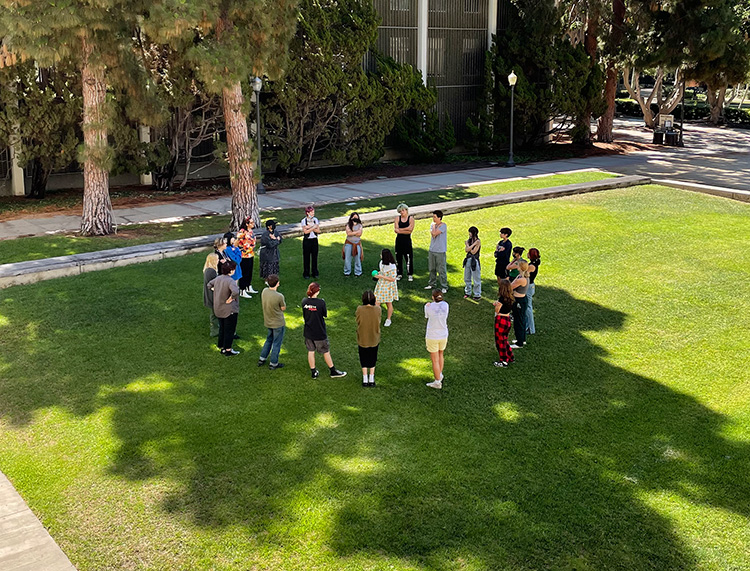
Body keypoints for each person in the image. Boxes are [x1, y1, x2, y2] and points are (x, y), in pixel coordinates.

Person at [302, 282, 347, 379]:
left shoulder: (304, 301)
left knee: (311, 351)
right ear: (317, 291)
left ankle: (313, 372)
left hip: (308, 331)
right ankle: (333, 371)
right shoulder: (321, 303)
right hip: (319, 332)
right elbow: (324, 314)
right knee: (325, 351)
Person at [207, 260, 240, 356]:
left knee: (222, 328)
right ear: (231, 270)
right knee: (229, 329)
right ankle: (228, 350)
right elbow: (236, 291)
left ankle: (221, 346)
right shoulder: (230, 281)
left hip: (218, 308)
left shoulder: (218, 278)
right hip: (229, 310)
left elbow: (209, 284)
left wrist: (216, 291)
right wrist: (231, 298)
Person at [258, 274, 286, 370]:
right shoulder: (279, 296)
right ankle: (274, 363)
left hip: (268, 321)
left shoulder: (264, 291)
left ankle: (262, 358)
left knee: (269, 339)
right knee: (276, 343)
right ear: (277, 283)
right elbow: (283, 308)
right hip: (278, 323)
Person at [356, 290, 381, 387]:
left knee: (363, 357)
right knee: (373, 356)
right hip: (374, 336)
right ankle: (372, 377)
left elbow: (357, 320)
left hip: (362, 336)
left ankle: (365, 378)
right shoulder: (378, 309)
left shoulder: (359, 309)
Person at [425, 289, 449, 389]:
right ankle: (439, 374)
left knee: (434, 360)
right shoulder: (446, 305)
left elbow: (427, 316)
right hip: (443, 334)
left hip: (432, 335)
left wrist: (427, 305)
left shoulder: (428, 307)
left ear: (433, 297)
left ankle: (437, 381)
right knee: (441, 354)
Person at [424, 210, 448, 293]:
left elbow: (435, 234)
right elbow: (433, 235)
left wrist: (434, 227)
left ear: (439, 218)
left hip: (440, 250)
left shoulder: (443, 226)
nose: (433, 218)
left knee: (441, 269)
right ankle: (432, 284)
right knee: (432, 268)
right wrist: (434, 226)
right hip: (432, 250)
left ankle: (444, 286)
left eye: (434, 217)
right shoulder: (432, 225)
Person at [493, 281, 515, 367]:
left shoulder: (501, 299)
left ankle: (503, 360)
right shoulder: (511, 298)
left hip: (501, 320)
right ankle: (510, 356)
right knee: (504, 339)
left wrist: (496, 305)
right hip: (507, 319)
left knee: (500, 341)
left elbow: (497, 310)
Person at [373, 248, 398, 327]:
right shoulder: (381, 263)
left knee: (388, 303)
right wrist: (378, 275)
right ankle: (376, 319)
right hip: (381, 284)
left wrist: (381, 276)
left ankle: (388, 319)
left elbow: (392, 278)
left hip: (388, 286)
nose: (380, 255)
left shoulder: (392, 266)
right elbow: (382, 272)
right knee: (377, 301)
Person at [510, 261, 530, 349]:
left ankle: (519, 343)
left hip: (519, 301)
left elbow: (511, 286)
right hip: (520, 300)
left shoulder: (521, 279)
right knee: (521, 319)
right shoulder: (522, 276)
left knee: (518, 321)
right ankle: (522, 338)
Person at [237, 217, 258, 298]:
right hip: (244, 255)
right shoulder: (242, 232)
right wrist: (245, 249)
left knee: (249, 271)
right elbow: (239, 243)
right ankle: (242, 289)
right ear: (246, 224)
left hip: (251, 254)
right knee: (244, 272)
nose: (253, 224)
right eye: (251, 223)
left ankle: (248, 286)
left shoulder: (251, 232)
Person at [394, 203, 415, 281]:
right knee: (398, 257)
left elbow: (410, 230)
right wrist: (405, 229)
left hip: (407, 241)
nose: (402, 212)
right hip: (399, 241)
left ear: (406, 210)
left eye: (403, 210)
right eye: (400, 211)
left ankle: (410, 274)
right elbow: (396, 230)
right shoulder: (397, 218)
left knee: (408, 257)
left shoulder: (411, 219)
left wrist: (400, 230)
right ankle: (399, 273)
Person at [203, 252, 220, 338]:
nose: (218, 260)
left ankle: (216, 330)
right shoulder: (211, 271)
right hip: (212, 296)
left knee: (214, 313)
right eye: (217, 259)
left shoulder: (208, 270)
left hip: (210, 295)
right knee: (215, 314)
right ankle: (215, 331)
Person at [301, 206, 320, 279]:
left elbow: (318, 231)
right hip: (307, 241)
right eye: (311, 212)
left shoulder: (315, 220)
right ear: (307, 213)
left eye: (313, 212)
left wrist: (310, 227)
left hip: (314, 240)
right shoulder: (304, 221)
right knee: (306, 257)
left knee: (315, 256)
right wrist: (313, 227)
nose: (313, 213)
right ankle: (306, 273)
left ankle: (315, 272)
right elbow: (305, 231)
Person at [463, 226, 481, 300]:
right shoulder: (469, 241)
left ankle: (477, 294)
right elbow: (466, 250)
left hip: (475, 260)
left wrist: (469, 245)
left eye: (470, 232)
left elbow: (473, 252)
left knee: (476, 278)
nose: (469, 234)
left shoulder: (478, 241)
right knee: (467, 277)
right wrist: (470, 245)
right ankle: (468, 292)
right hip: (468, 259)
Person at [343, 212, 364, 277]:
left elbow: (359, 234)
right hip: (349, 243)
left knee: (357, 259)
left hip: (357, 244)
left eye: (356, 217)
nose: (355, 218)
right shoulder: (348, 225)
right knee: (347, 258)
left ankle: (358, 272)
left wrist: (352, 232)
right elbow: (348, 234)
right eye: (354, 217)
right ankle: (347, 272)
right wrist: (356, 232)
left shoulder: (360, 225)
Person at [526, 247, 541, 335]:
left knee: (528, 308)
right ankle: (528, 326)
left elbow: (524, 272)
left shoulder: (531, 266)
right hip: (530, 286)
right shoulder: (534, 263)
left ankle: (531, 329)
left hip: (529, 287)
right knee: (527, 307)